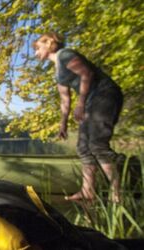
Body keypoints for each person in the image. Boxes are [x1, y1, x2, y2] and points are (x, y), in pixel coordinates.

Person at [32, 33, 124, 202]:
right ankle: (87, 192)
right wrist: (63, 125)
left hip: (104, 95)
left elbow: (86, 74)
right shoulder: (58, 71)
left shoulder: (65, 55)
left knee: (97, 143)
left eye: (38, 47)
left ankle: (117, 192)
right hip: (90, 102)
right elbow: (65, 99)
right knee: (83, 147)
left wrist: (80, 103)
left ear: (49, 43)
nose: (35, 53)